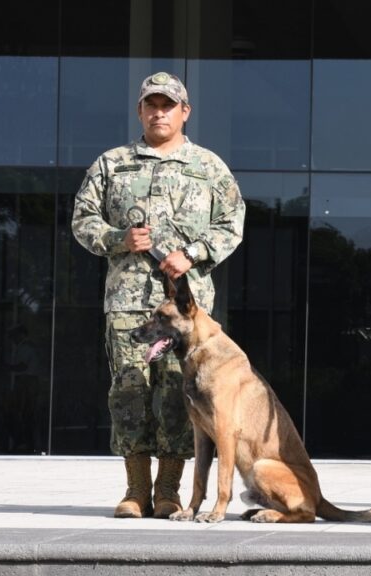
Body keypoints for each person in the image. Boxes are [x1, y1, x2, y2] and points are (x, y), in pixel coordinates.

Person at [72, 72, 245, 519]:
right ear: (140, 110)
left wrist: (193, 253)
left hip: (186, 311)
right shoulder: (112, 164)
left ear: (185, 112)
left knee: (177, 394)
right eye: (151, 104)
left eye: (168, 105)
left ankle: (169, 489)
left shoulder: (208, 166)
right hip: (129, 302)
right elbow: (83, 221)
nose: (159, 112)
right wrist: (119, 239)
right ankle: (135, 491)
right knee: (129, 391)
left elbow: (232, 223)